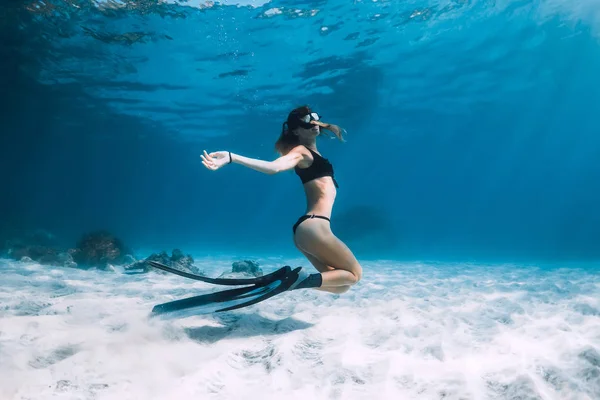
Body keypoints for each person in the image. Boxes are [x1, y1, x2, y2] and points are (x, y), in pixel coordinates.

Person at [200, 105, 363, 294]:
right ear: (296, 130)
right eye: (307, 121)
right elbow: (273, 168)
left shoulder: (313, 153)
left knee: (340, 286)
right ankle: (295, 281)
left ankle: (288, 280)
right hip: (314, 227)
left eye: (314, 118)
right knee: (354, 274)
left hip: (306, 231)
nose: (313, 123)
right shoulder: (301, 152)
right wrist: (231, 157)